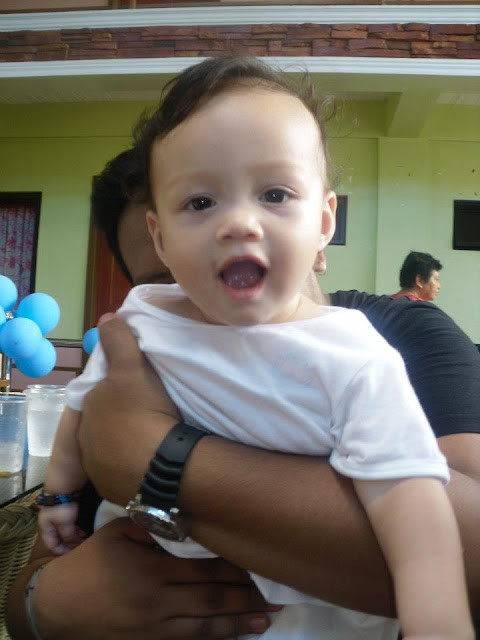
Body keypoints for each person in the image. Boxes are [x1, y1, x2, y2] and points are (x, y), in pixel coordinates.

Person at [7, 97, 480, 640]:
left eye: (273, 195)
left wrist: (151, 456)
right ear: (159, 242)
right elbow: (28, 591)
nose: (235, 226)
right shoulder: (144, 340)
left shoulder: (383, 347)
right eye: (198, 205)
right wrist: (55, 601)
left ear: (322, 227)